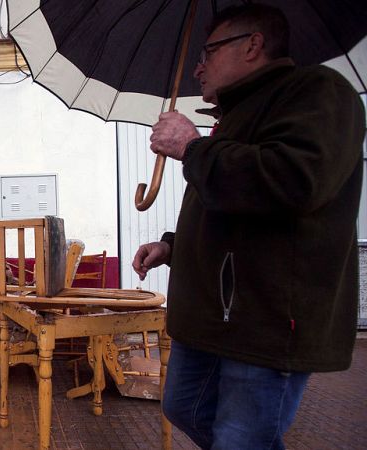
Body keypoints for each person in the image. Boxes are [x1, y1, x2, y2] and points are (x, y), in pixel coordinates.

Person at [132, 4, 364, 449]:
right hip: (210, 316)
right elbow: (232, 210)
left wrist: (194, 148)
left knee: (241, 439)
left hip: (266, 319)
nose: (198, 67)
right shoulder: (230, 120)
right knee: (184, 407)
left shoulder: (318, 92)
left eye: (209, 52)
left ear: (253, 44)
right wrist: (173, 247)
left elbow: (294, 182)